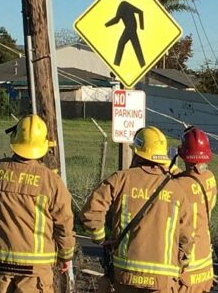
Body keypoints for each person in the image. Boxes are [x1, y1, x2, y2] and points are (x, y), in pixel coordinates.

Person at [0, 114, 76, 293]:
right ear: (43, 146)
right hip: (35, 271)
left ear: (14, 140)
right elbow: (64, 222)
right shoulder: (51, 181)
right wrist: (65, 255)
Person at [80, 126, 193, 293]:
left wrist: (101, 238)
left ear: (137, 153)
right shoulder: (177, 190)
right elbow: (187, 237)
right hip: (162, 278)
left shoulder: (121, 179)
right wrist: (180, 263)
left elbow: (91, 212)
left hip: (126, 273)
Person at [174, 127, 218, 293]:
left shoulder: (178, 185)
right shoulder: (210, 178)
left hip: (187, 267)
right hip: (205, 263)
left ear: (183, 154)